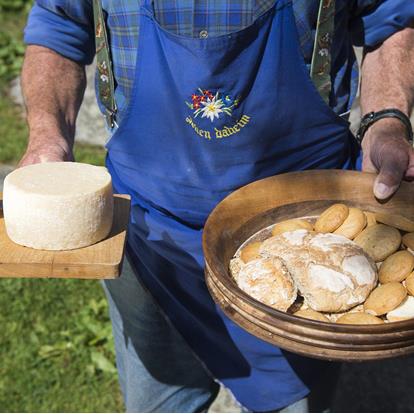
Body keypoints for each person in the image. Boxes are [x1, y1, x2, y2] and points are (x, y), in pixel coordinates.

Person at [20, 0, 414, 412]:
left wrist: (386, 122)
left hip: (308, 245)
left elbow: (390, 15)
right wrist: (48, 137)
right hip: (147, 235)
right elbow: (58, 22)